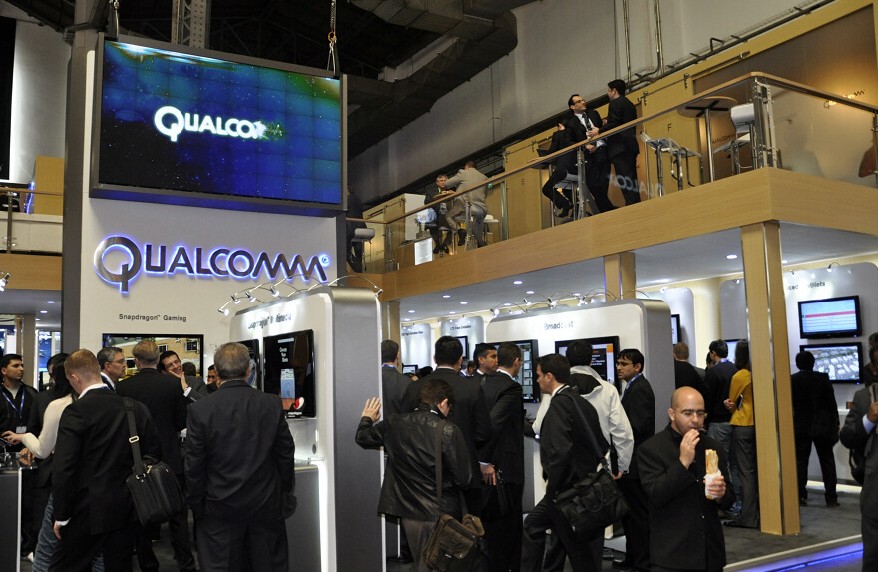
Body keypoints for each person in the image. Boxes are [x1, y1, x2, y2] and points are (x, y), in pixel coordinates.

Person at [185, 342, 296, 572]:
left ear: (217, 372)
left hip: (219, 506)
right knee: (267, 564)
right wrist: (284, 494)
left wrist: (197, 505)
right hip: (265, 505)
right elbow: (285, 453)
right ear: (248, 370)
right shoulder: (270, 404)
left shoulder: (201, 409)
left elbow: (194, 464)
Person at [50, 349, 161, 571]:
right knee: (119, 566)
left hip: (87, 510)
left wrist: (61, 515)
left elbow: (64, 468)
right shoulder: (134, 407)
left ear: (75, 378)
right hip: (128, 507)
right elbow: (154, 454)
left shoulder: (75, 412)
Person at [356, 379, 473, 572]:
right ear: (443, 402)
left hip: (409, 512)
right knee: (442, 565)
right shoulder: (448, 430)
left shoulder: (394, 423)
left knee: (422, 562)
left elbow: (362, 437)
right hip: (441, 513)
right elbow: (464, 479)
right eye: (449, 408)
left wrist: (367, 418)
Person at [521, 354, 607, 572]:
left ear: (549, 377)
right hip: (583, 487)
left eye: (539, 375)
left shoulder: (559, 405)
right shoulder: (581, 402)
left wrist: (554, 487)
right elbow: (602, 443)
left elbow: (559, 452)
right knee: (567, 541)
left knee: (533, 525)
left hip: (565, 492)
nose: (537, 380)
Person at [116, 340, 196, 571]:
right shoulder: (172, 384)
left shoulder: (123, 388)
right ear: (158, 359)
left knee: (140, 513)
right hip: (170, 456)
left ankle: (148, 564)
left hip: (137, 458)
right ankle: (186, 563)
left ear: (136, 360)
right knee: (178, 514)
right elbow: (182, 421)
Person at [638, 387, 734, 572]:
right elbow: (657, 495)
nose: (695, 420)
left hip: (710, 555)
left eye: (700, 413)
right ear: (672, 414)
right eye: (688, 413)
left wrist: (721, 494)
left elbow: (729, 499)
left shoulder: (713, 446)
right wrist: (683, 462)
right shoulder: (651, 449)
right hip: (673, 556)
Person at [402, 336, 493, 517]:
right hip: (465, 473)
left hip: (422, 474)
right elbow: (484, 432)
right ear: (460, 360)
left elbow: (405, 428)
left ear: (435, 358)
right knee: (467, 528)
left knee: (426, 530)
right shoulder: (472, 389)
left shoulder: (415, 388)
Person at [480, 342, 525, 572]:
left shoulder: (483, 382)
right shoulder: (511, 388)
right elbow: (494, 423)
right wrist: (485, 460)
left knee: (490, 525)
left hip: (488, 464)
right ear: (516, 361)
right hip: (505, 466)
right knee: (509, 524)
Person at [613, 348, 655, 572]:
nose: (619, 367)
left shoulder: (640, 389)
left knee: (637, 515)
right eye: (618, 363)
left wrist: (616, 428)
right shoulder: (632, 387)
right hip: (630, 460)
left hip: (635, 462)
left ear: (637, 367)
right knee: (629, 515)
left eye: (624, 364)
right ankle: (633, 557)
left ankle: (642, 562)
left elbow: (639, 426)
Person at [791, 350, 840, 507]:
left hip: (801, 426)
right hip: (823, 426)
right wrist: (836, 423)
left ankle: (800, 495)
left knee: (801, 462)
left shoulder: (792, 380)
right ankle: (831, 497)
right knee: (827, 461)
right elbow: (832, 403)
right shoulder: (823, 378)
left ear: (797, 364)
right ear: (813, 363)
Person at [1, 352, 37, 557]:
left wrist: (31, 445)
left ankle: (27, 547)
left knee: (28, 503)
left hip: (27, 455)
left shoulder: (32, 394)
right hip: (2, 455)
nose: (21, 369)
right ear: (3, 370)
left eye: (22, 365)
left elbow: (38, 425)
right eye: (15, 366)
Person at [840, 376, 878, 569]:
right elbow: (846, 437)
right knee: (873, 557)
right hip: (875, 494)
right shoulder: (864, 397)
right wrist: (868, 420)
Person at [588, 79, 641, 205]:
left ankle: (632, 206)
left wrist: (599, 130)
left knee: (625, 180)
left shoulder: (615, 103)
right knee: (631, 179)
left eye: (608, 90)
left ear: (614, 91)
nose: (607, 93)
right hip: (630, 146)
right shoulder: (629, 103)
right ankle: (635, 204)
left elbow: (615, 123)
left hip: (620, 148)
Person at [725, 340, 758, 529]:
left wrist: (729, 406)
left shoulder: (740, 376)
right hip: (761, 425)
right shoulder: (760, 373)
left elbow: (732, 402)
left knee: (745, 472)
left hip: (743, 424)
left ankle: (748, 517)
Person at [704, 339, 739, 511]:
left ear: (713, 353)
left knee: (719, 464)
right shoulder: (735, 369)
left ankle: (727, 504)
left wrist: (705, 419)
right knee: (735, 464)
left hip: (717, 422)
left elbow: (708, 399)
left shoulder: (713, 372)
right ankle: (737, 503)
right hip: (735, 421)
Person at [443, 161, 489, 248]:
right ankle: (480, 243)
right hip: (480, 208)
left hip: (464, 205)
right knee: (477, 223)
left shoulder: (463, 173)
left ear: (466, 167)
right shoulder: (484, 177)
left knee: (448, 216)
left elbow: (447, 184)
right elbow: (486, 194)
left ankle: (460, 231)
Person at [425, 174, 455, 254]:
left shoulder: (452, 190)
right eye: (441, 181)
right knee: (431, 223)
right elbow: (426, 202)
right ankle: (438, 244)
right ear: (437, 183)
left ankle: (445, 244)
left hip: (447, 214)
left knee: (455, 226)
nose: (443, 182)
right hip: (435, 213)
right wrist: (438, 196)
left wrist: (452, 194)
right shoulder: (430, 191)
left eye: (445, 180)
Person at [381, 339, 411, 419]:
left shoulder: (371, 380)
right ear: (398, 356)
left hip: (374, 425)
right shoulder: (407, 382)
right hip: (398, 425)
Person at [346, 186, 367, 272]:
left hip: (351, 228)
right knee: (359, 253)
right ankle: (360, 271)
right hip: (361, 227)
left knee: (346, 252)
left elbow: (344, 212)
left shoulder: (347, 199)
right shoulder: (358, 199)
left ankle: (358, 269)